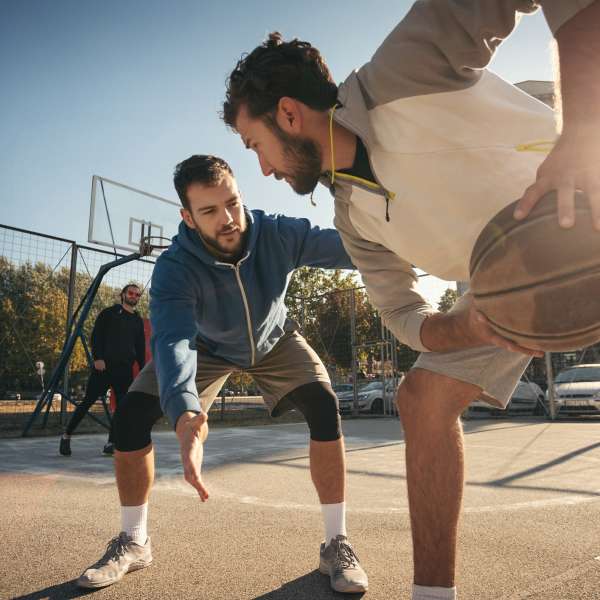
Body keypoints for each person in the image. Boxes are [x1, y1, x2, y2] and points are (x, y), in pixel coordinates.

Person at [222, 2, 600, 598]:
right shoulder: (354, 220)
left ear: (288, 113)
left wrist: (582, 134)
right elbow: (403, 314)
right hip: (511, 279)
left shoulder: (404, 72)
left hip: (586, 186)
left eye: (254, 144)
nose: (261, 168)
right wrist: (471, 325)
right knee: (420, 401)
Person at [75, 155, 368, 594]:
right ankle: (134, 541)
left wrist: (408, 241)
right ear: (187, 217)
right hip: (207, 348)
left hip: (274, 340)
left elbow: (350, 246)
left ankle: (335, 543)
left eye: (232, 202)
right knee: (132, 415)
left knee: (324, 405)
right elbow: (173, 341)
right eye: (210, 211)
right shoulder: (175, 267)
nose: (228, 219)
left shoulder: (275, 233)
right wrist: (186, 413)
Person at [59, 284, 146, 457]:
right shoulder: (109, 313)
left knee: (121, 409)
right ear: (122, 294)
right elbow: (96, 336)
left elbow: (140, 346)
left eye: (137, 294)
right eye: (131, 293)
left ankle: (111, 443)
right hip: (104, 367)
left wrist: (143, 369)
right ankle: (66, 435)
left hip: (124, 370)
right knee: (88, 402)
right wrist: (98, 358)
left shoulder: (137, 320)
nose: (134, 296)